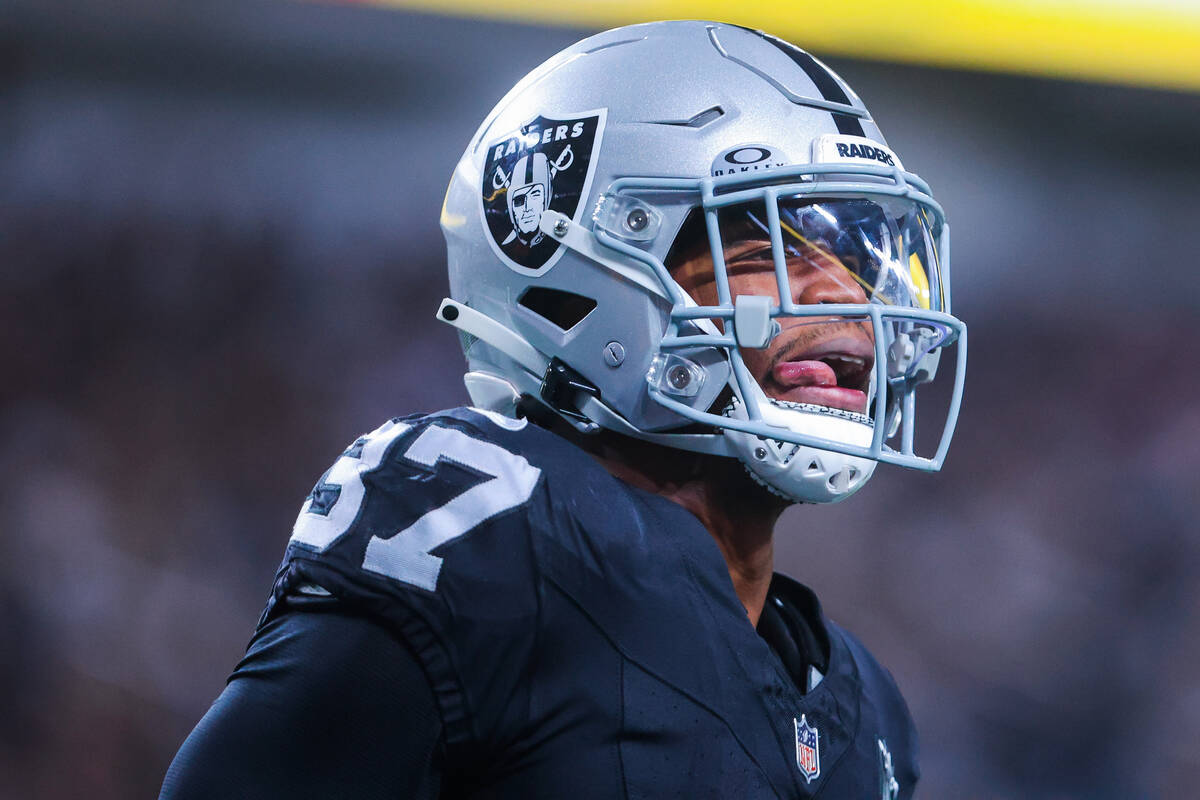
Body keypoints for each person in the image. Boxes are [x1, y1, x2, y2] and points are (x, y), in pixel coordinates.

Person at [160, 20, 966, 800]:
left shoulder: (869, 717)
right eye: (769, 250)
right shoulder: (496, 535)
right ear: (573, 267)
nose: (845, 298)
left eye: (863, 262)